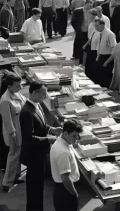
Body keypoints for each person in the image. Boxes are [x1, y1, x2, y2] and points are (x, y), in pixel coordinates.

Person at [20, 82, 62, 211]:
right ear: (34, 93)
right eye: (43, 93)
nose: (45, 96)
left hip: (39, 154)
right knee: (34, 188)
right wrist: (48, 139)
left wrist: (52, 129)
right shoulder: (26, 112)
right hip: (33, 156)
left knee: (38, 187)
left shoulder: (37, 105)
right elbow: (29, 138)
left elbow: (41, 126)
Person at [0, 73, 25, 192]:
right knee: (13, 155)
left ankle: (15, 177)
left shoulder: (16, 93)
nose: (20, 88)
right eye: (17, 86)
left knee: (18, 155)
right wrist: (13, 134)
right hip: (14, 133)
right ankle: (7, 182)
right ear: (9, 86)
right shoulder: (5, 100)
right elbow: (7, 120)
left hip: (20, 130)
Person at [50, 119, 83, 211]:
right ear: (65, 133)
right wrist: (74, 193)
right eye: (74, 136)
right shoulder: (63, 152)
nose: (76, 139)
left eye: (78, 136)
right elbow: (65, 178)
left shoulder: (61, 143)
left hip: (61, 190)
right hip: (66, 191)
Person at [94, 19, 116, 88]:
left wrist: (106, 62)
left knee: (106, 79)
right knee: (100, 78)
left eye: (97, 26)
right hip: (101, 57)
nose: (96, 27)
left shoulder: (110, 34)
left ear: (102, 25)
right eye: (95, 26)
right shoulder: (99, 33)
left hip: (107, 58)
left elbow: (114, 50)